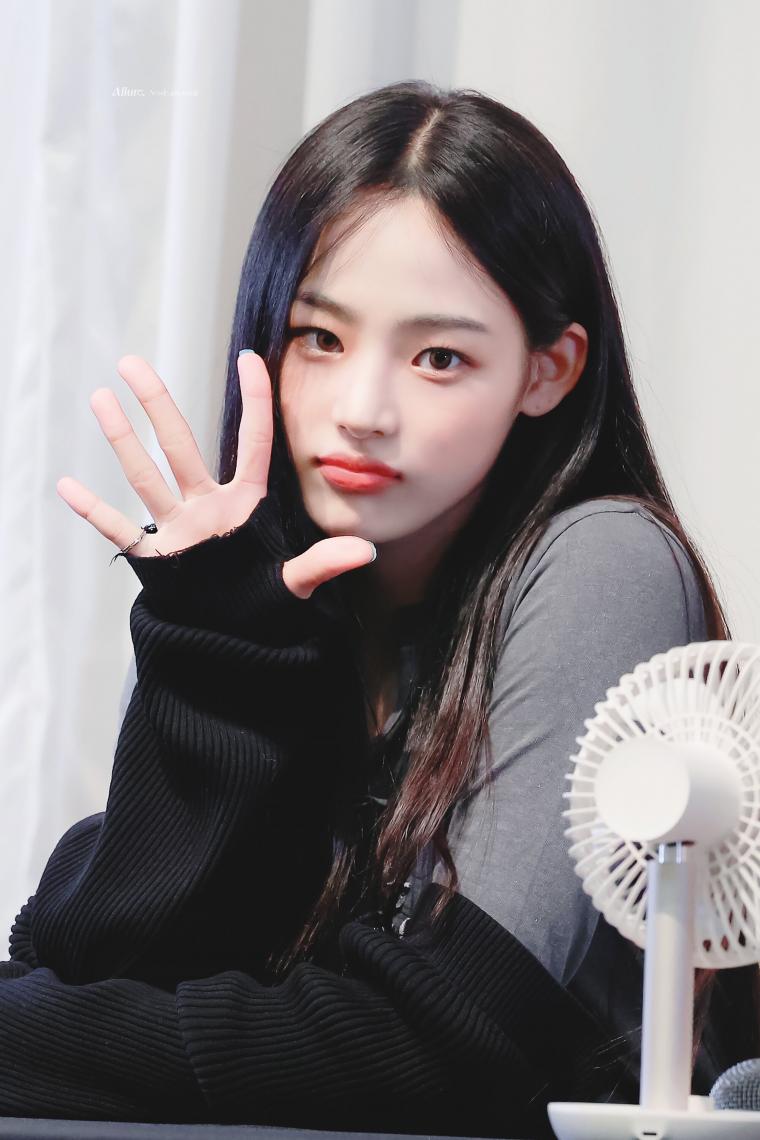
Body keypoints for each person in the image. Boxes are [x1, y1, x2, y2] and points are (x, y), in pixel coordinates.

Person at [1, 79, 757, 1137]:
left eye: (439, 358)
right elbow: (96, 962)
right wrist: (208, 660)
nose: (361, 411)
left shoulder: (604, 560)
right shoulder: (249, 587)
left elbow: (438, 1044)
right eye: (319, 339)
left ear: (547, 371)